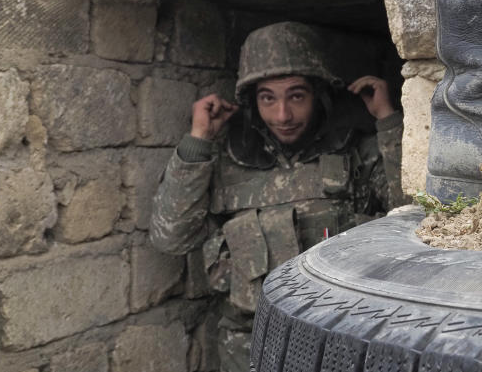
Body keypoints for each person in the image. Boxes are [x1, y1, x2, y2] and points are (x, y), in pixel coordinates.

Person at [149, 21, 404, 372]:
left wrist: (387, 120)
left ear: (319, 95)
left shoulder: (358, 152)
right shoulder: (225, 160)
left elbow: (416, 216)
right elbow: (171, 237)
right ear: (252, 102)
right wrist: (198, 141)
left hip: (344, 343)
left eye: (296, 96)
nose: (282, 115)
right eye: (268, 98)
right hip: (251, 349)